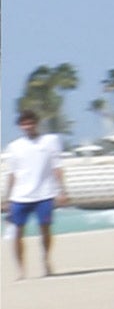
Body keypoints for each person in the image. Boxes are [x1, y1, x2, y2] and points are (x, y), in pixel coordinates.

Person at [5, 109, 69, 279]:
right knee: (17, 232)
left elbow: (57, 168)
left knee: (45, 229)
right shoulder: (15, 146)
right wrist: (7, 199)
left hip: (44, 193)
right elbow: (12, 174)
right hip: (20, 196)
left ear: (36, 123)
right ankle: (20, 270)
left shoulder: (50, 141)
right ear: (20, 126)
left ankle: (46, 260)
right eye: (24, 124)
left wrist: (62, 191)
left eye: (31, 123)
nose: (28, 126)